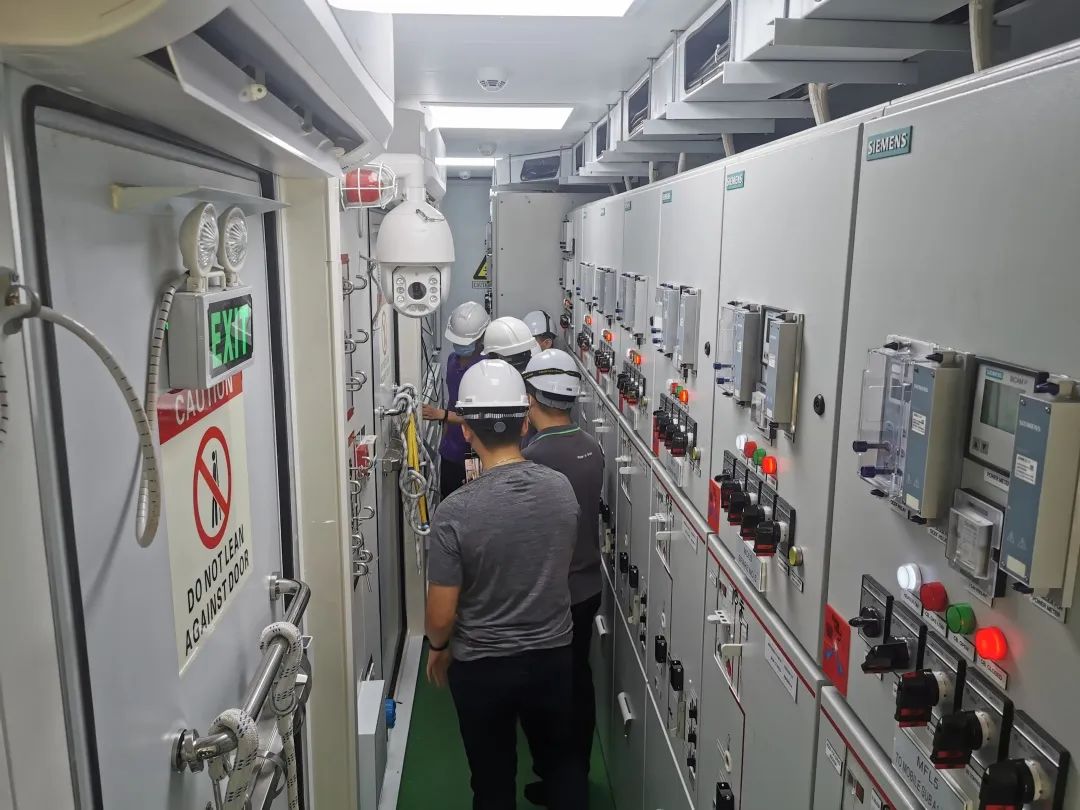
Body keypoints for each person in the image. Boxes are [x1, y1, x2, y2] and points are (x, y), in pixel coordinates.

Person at [425, 359, 587, 810]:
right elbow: (560, 561)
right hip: (552, 657)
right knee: (562, 766)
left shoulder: (454, 512)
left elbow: (440, 615)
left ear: (465, 431)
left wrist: (438, 648)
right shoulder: (560, 490)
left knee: (492, 781)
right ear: (524, 422)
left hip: (482, 666)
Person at [521, 349, 604, 807]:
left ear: (531, 397)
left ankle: (560, 784)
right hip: (587, 589)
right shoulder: (592, 446)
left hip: (551, 596)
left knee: (547, 694)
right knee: (578, 682)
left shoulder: (534, 457)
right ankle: (576, 775)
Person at [422, 300, 489, 498]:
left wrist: (441, 415)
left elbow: (481, 415)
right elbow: (452, 401)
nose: (460, 345)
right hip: (451, 450)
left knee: (471, 501)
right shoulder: (452, 361)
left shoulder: (486, 368)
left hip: (475, 452)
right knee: (450, 498)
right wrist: (445, 435)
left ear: (481, 337)